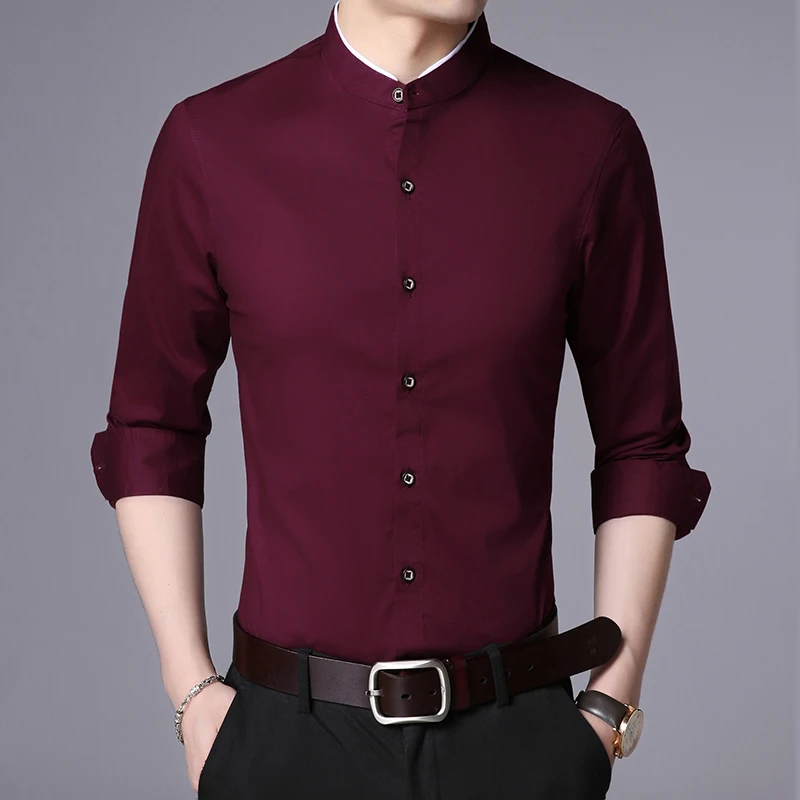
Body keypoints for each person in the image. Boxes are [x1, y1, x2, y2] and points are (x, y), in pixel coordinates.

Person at [89, 1, 712, 797]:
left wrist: (607, 708)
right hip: (282, 743)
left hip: (519, 746)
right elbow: (152, 428)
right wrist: (192, 690)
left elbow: (642, 445)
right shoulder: (213, 142)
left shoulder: (590, 145)